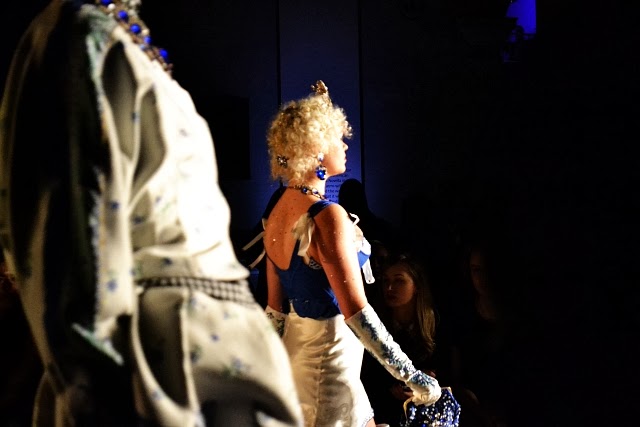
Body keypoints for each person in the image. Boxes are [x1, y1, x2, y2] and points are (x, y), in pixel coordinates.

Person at [0, 1, 302, 425]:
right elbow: (71, 257)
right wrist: (96, 395)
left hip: (219, 358)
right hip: (169, 368)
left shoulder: (118, 40)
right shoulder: (80, 34)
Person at [262, 80, 441, 427]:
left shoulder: (278, 213)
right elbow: (358, 313)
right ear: (315, 147)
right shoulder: (327, 216)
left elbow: (275, 313)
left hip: (303, 367)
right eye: (336, 137)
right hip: (328, 372)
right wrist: (412, 375)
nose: (345, 145)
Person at [361, 252, 456, 427]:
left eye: (399, 280)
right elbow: (368, 374)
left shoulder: (436, 325)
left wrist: (430, 380)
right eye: (386, 281)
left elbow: (450, 372)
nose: (390, 287)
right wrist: (392, 387)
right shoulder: (377, 324)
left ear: (417, 285)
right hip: (384, 411)